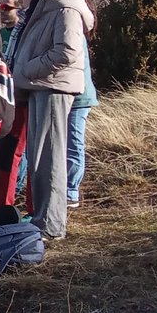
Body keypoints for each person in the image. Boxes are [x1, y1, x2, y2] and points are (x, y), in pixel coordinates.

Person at [9, 0, 95, 241]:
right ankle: (42, 220)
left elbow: (67, 52)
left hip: (53, 89)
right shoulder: (48, 7)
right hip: (40, 88)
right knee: (40, 157)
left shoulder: (64, 7)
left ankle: (50, 225)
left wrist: (27, 69)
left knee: (50, 158)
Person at [0, 0, 42, 211]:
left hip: (30, 93)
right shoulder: (8, 31)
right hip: (10, 94)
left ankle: (33, 204)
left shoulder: (34, 24)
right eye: (1, 7)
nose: (3, 11)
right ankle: (0, 204)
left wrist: (22, 73)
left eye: (8, 7)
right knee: (6, 150)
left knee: (31, 151)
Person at [66, 31, 98, 209]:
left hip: (79, 97)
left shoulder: (73, 31)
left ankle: (71, 192)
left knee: (74, 143)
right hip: (70, 94)